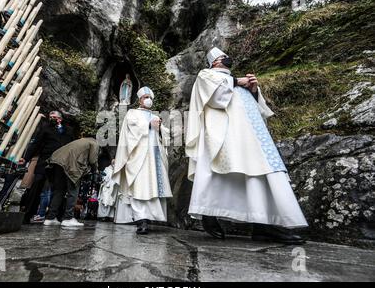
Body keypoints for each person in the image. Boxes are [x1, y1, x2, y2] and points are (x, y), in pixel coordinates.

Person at [185, 47, 308, 244]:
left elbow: (258, 108)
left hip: (252, 136)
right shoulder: (206, 75)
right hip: (225, 134)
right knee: (219, 173)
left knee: (261, 175)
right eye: (223, 57)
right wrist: (236, 81)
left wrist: (252, 89)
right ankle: (209, 214)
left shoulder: (234, 80)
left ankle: (264, 226)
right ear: (215, 62)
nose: (227, 59)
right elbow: (216, 98)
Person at [112, 86, 173, 235]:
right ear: (139, 100)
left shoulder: (154, 115)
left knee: (152, 187)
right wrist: (147, 125)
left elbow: (165, 135)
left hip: (154, 157)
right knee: (139, 187)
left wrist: (159, 127)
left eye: (150, 97)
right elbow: (131, 130)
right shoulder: (132, 113)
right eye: (145, 97)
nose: (148, 100)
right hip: (138, 157)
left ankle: (149, 218)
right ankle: (141, 220)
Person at [19, 111, 75, 223]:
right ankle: (28, 214)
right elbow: (35, 144)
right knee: (36, 187)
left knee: (58, 190)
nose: (51, 119)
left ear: (60, 119)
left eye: (54, 117)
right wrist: (25, 158)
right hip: (44, 162)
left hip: (60, 164)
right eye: (50, 117)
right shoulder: (45, 128)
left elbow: (72, 146)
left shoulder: (69, 130)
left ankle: (53, 216)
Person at [43, 130, 100, 227]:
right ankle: (68, 218)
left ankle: (50, 218)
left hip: (56, 162)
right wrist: (96, 171)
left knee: (59, 191)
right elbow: (92, 160)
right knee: (73, 191)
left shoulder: (79, 141)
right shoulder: (94, 143)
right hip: (71, 165)